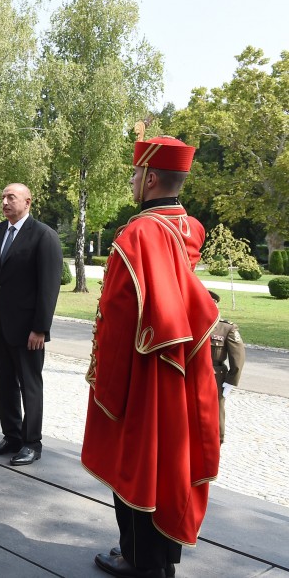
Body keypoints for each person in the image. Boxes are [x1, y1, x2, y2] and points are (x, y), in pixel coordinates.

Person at [82, 136, 220, 578]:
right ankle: (154, 557)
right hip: (181, 369)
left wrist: (108, 386)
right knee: (170, 465)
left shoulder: (139, 233)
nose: (131, 178)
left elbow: (121, 319)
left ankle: (142, 562)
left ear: (152, 178)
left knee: (139, 464)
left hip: (144, 374)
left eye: (136, 172)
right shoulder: (188, 226)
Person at [0, 183, 62, 466]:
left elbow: (48, 287)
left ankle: (31, 442)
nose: (5, 201)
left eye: (10, 197)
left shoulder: (43, 236)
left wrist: (40, 328)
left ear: (27, 202)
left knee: (29, 384)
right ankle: (11, 436)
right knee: (4, 384)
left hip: (28, 329)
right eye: (2, 197)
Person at [209, 290, 246, 444]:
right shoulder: (190, 324)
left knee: (216, 410)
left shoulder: (226, 328)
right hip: (191, 374)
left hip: (215, 375)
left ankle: (217, 440)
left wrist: (231, 381)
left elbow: (238, 357)